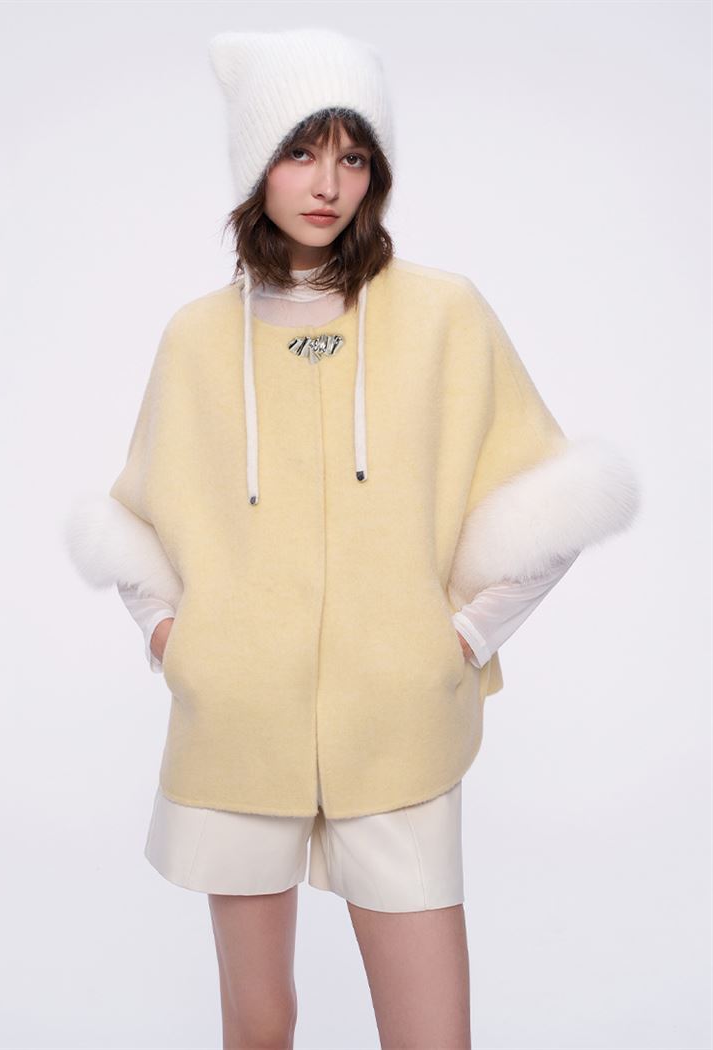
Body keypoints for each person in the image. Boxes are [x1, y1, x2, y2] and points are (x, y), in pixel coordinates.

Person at [65, 27, 641, 1050]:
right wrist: (174, 641)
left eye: (353, 155)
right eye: (301, 151)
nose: (328, 183)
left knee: (430, 1035)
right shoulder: (197, 339)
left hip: (399, 732)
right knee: (258, 1026)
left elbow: (549, 506)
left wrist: (459, 641)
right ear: (257, 162)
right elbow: (138, 519)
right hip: (237, 728)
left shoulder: (444, 315)